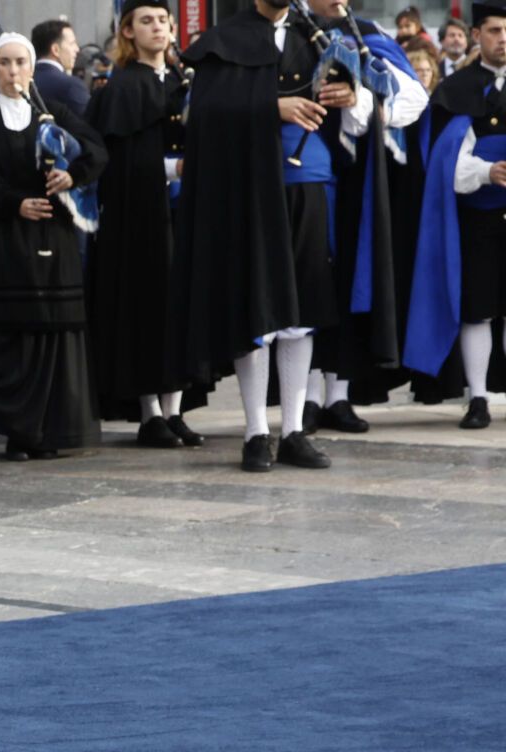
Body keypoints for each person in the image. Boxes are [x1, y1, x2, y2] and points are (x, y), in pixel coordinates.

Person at [171, 0, 366, 471]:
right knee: (254, 307)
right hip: (249, 184)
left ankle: (295, 429)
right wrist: (270, 106)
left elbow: (369, 105)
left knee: (304, 306)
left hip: (307, 182)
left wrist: (354, 97)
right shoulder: (225, 39)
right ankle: (256, 431)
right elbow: (207, 113)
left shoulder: (318, 34)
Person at [0, 32, 108, 460]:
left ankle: (51, 428)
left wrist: (72, 177)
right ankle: (18, 430)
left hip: (52, 236)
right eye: (5, 63)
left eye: (20, 63)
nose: (13, 72)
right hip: (3, 239)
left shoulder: (53, 113)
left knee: (53, 330)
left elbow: (97, 152)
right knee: (14, 332)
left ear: (31, 68)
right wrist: (15, 203)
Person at [306, 0, 428, 433]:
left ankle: (335, 397)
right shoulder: (280, 32)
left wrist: (362, 99)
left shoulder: (367, 33)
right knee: (301, 285)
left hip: (352, 181)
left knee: (341, 284)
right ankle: (303, 399)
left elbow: (412, 97)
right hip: (292, 173)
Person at [87, 0, 204, 446]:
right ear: (128, 32)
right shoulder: (121, 88)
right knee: (145, 307)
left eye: (162, 20)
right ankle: (149, 411)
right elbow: (120, 162)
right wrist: (174, 171)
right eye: (147, 21)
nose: (157, 28)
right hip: (139, 217)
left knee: (179, 308)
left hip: (181, 214)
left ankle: (174, 410)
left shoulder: (183, 80)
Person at [404, 0, 506, 428]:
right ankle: (478, 397)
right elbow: (446, 162)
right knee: (477, 308)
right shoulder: (458, 89)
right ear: (477, 35)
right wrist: (487, 170)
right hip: (478, 218)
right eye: (495, 31)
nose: (503, 39)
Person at [33, 19, 91, 116]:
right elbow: (91, 124)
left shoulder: (24, 82)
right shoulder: (71, 85)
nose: (77, 49)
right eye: (72, 43)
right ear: (56, 49)